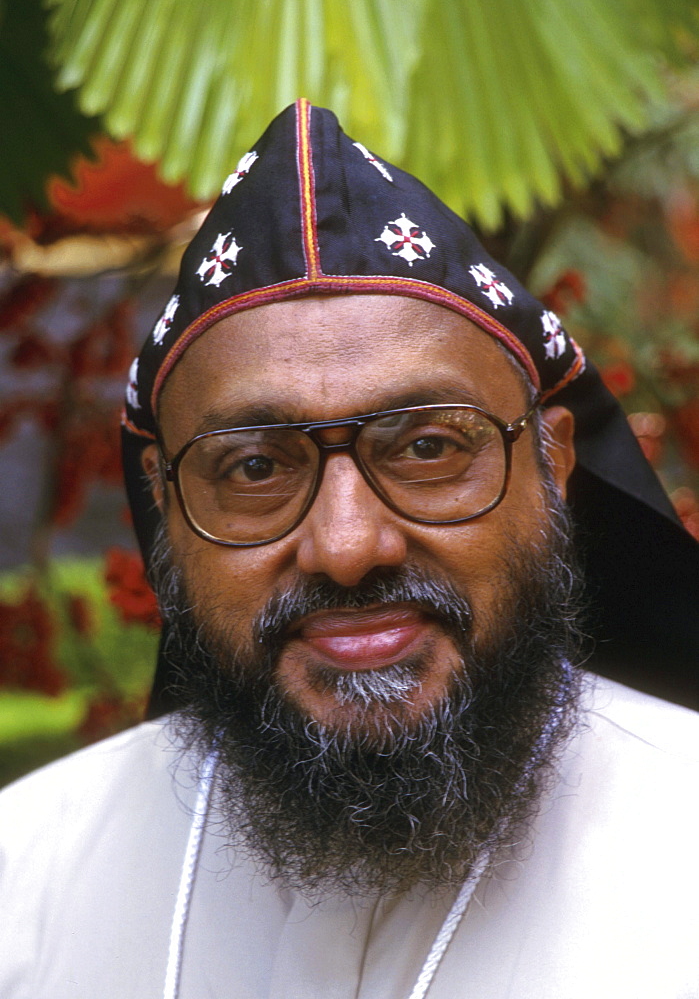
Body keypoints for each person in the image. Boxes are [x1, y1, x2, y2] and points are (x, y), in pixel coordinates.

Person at [1, 100, 698, 999]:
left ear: (551, 463)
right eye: (254, 466)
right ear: (165, 502)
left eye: (426, 449)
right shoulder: (26, 875)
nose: (345, 545)